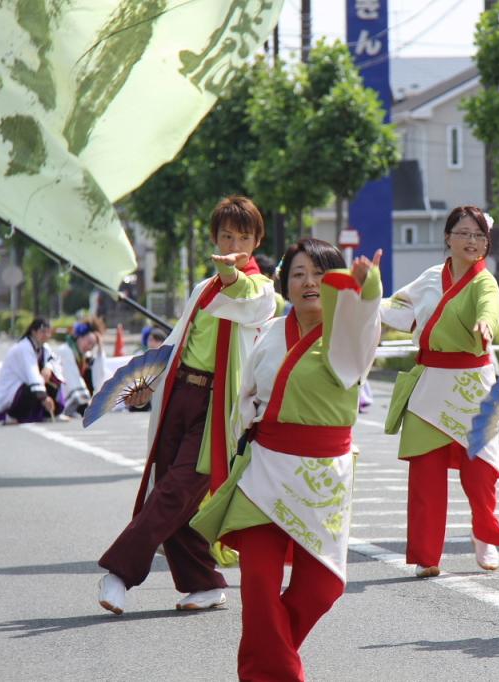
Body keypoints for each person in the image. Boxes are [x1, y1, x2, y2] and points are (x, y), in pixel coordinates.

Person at [192, 239, 382, 682]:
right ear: (286, 283)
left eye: (320, 273)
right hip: (264, 471)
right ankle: (273, 672)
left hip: (322, 477)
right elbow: (246, 398)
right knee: (259, 583)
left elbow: (365, 318)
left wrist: (367, 286)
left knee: (323, 587)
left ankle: (265, 663)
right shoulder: (272, 332)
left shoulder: (348, 337)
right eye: (298, 274)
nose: (309, 282)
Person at [96, 195, 278, 615]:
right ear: (214, 238)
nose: (234, 245)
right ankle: (204, 582)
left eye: (243, 237)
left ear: (257, 241)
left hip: (219, 406)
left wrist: (231, 275)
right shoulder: (202, 288)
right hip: (179, 394)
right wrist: (148, 385)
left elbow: (249, 301)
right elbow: (176, 343)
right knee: (173, 493)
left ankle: (120, 573)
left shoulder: (262, 289)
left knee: (175, 491)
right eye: (226, 236)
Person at [381, 205, 499, 578]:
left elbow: (489, 307)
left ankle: (483, 533)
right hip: (430, 386)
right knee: (426, 473)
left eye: (479, 235)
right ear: (448, 237)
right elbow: (398, 307)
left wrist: (486, 324)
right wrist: (365, 301)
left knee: (481, 472)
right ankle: (427, 555)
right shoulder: (429, 277)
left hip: (472, 386)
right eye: (464, 233)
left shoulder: (485, 282)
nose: (472, 241)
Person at [0, 318, 65, 422]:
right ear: (33, 332)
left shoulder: (44, 347)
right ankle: (12, 415)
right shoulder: (24, 348)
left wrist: (48, 368)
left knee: (54, 379)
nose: (46, 335)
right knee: (34, 388)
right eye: (43, 332)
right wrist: (44, 397)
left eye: (48, 332)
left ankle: (50, 413)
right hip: (12, 391)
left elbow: (54, 360)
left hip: (27, 384)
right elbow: (32, 374)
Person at [56, 318, 106, 417]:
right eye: (89, 342)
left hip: (71, 390)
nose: (90, 347)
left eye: (93, 345)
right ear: (80, 337)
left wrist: (100, 348)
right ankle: (78, 404)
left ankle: (80, 403)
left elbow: (99, 370)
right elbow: (71, 376)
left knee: (89, 368)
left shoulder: (84, 355)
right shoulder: (66, 350)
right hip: (59, 390)